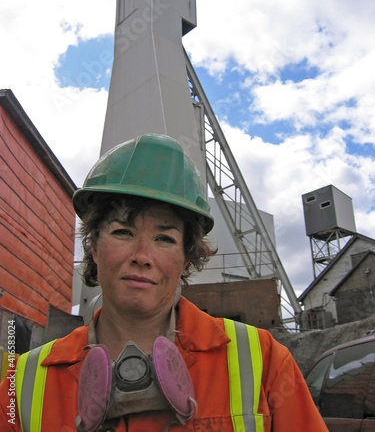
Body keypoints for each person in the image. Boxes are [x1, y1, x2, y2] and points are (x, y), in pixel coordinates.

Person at [0, 133, 328, 431]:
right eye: (122, 232)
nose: (143, 255)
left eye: (165, 239)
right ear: (93, 247)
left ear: (187, 257)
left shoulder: (264, 360)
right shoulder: (25, 382)